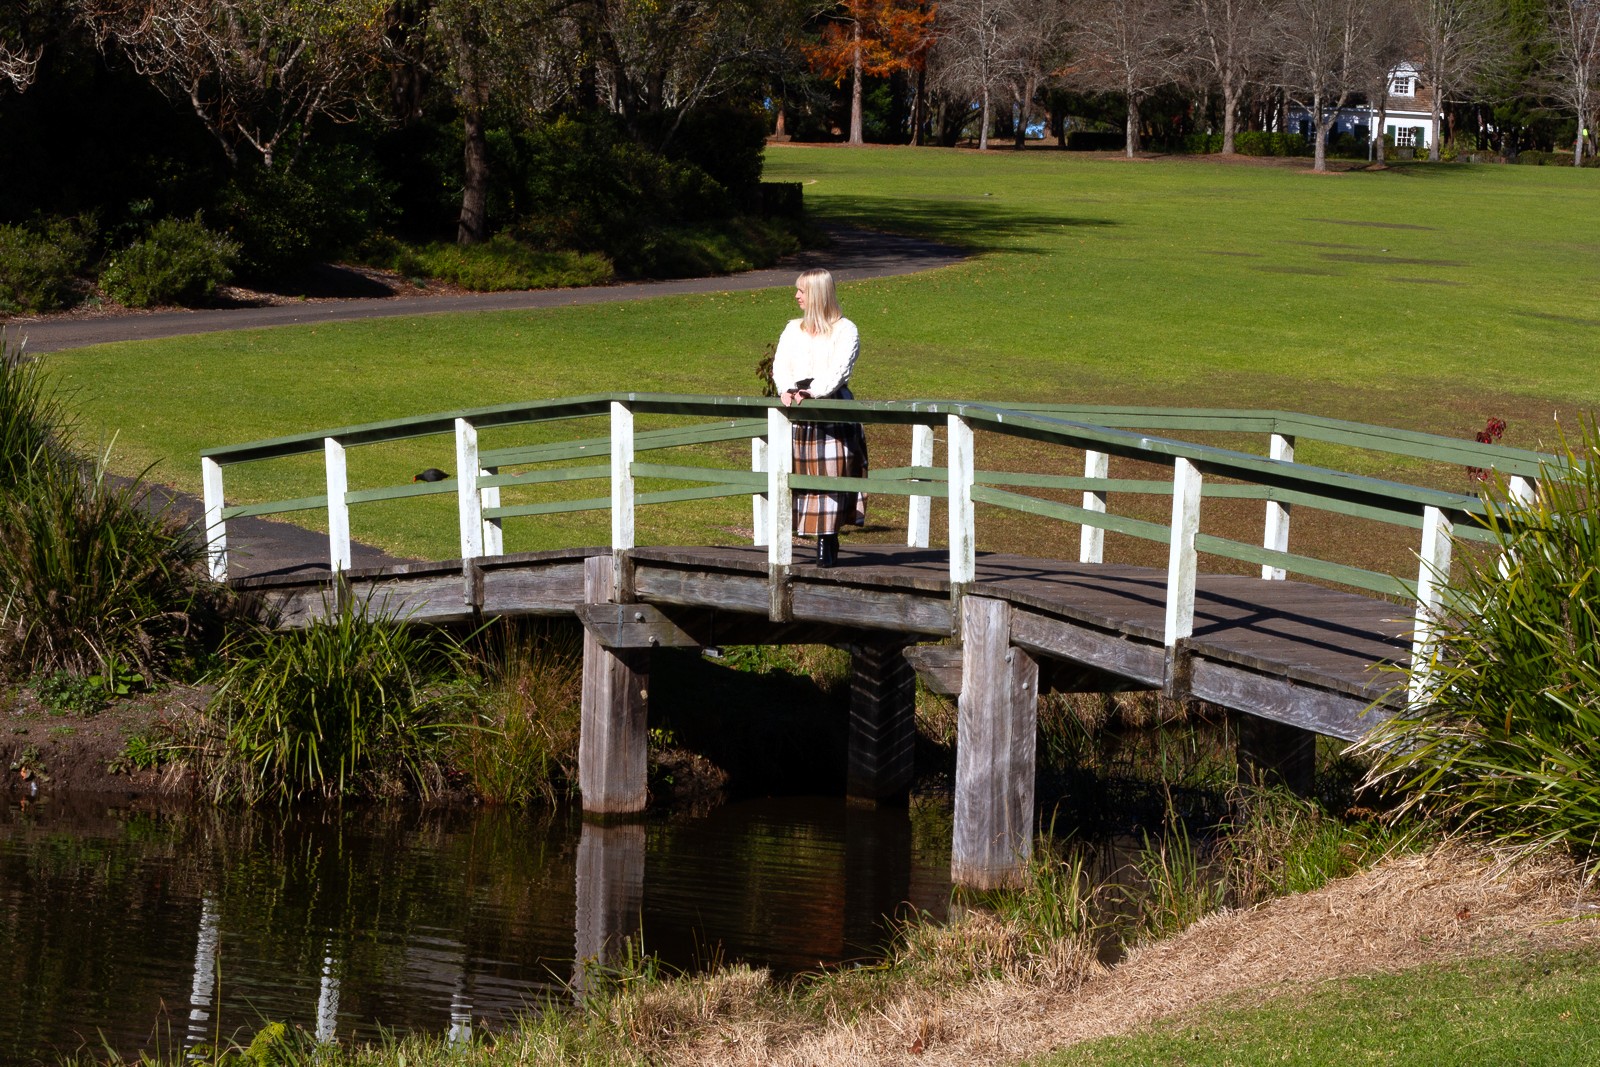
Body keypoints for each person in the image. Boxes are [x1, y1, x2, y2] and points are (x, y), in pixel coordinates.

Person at [772, 268, 867, 567]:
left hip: (832, 409)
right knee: (800, 476)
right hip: (798, 410)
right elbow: (781, 365)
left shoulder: (846, 330)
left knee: (831, 476)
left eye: (802, 291)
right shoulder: (792, 329)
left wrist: (813, 393)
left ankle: (827, 543)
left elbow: (838, 372)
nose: (796, 295)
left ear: (816, 295)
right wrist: (786, 390)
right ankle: (808, 539)